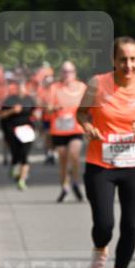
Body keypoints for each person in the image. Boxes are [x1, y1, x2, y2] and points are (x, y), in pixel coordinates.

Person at [76, 37, 135, 268]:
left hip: (133, 164)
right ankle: (100, 251)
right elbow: (81, 113)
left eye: (133, 59)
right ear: (113, 60)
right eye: (122, 59)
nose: (128, 64)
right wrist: (88, 127)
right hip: (100, 163)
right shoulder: (98, 84)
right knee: (104, 223)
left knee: (131, 226)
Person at [48, 61, 86, 202]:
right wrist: (55, 108)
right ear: (61, 73)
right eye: (64, 71)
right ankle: (65, 186)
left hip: (76, 127)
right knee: (63, 159)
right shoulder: (54, 88)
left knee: (74, 154)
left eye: (69, 71)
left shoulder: (81, 87)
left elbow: (88, 105)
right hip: (59, 129)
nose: (67, 74)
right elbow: (48, 107)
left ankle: (75, 181)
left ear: (74, 73)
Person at [0, 70, 37, 190]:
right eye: (19, 87)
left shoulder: (30, 100)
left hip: (27, 130)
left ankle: (22, 180)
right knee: (16, 154)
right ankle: (14, 166)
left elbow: (34, 114)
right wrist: (12, 111)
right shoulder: (10, 100)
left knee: (24, 155)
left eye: (24, 87)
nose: (22, 89)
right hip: (12, 130)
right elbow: (1, 115)